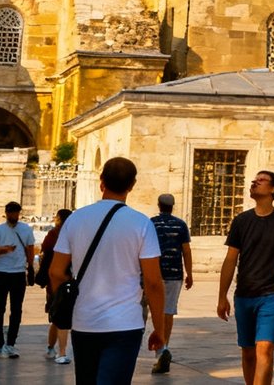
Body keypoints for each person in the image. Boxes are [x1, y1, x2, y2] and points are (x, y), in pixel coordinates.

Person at [48, 157, 166, 385]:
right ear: (132, 185)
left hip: (84, 321)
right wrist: (159, 328)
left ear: (101, 182)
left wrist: (70, 299)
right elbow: (153, 282)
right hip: (124, 323)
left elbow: (55, 272)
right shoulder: (141, 223)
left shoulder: (75, 220)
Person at [217, 170, 274, 385]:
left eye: (261, 180)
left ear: (273, 189)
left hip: (271, 295)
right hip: (244, 296)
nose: (254, 183)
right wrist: (222, 296)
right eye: (254, 180)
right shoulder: (241, 221)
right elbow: (231, 259)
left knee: (265, 348)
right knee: (248, 352)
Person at [0, 201, 36, 359]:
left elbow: (30, 250)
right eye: (11, 212)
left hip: (18, 273)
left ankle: (11, 344)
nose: (13, 215)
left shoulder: (26, 229)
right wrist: (2, 249)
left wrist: (30, 267)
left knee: (16, 310)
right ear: (6, 213)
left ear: (19, 213)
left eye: (16, 212)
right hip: (0, 272)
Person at [148, 194, 192, 375]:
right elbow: (186, 251)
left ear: (159, 205)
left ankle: (158, 350)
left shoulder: (150, 223)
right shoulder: (181, 224)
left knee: (151, 311)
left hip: (153, 274)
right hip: (174, 274)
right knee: (168, 311)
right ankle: (163, 347)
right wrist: (190, 273)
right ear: (172, 206)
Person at [39, 208, 72, 365]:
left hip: (55, 280)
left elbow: (45, 251)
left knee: (57, 316)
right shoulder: (71, 235)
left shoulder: (53, 235)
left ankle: (51, 347)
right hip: (65, 280)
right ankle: (62, 352)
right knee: (62, 316)